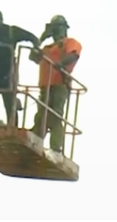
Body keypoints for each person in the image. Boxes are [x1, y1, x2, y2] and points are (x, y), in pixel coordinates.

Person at [29, 15, 81, 152]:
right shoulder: (48, 47)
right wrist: (40, 39)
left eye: (56, 28)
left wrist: (61, 64)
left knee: (55, 116)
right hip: (45, 86)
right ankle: (35, 141)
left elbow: (74, 55)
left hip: (59, 85)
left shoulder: (70, 42)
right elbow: (33, 56)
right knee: (41, 116)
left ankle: (56, 148)